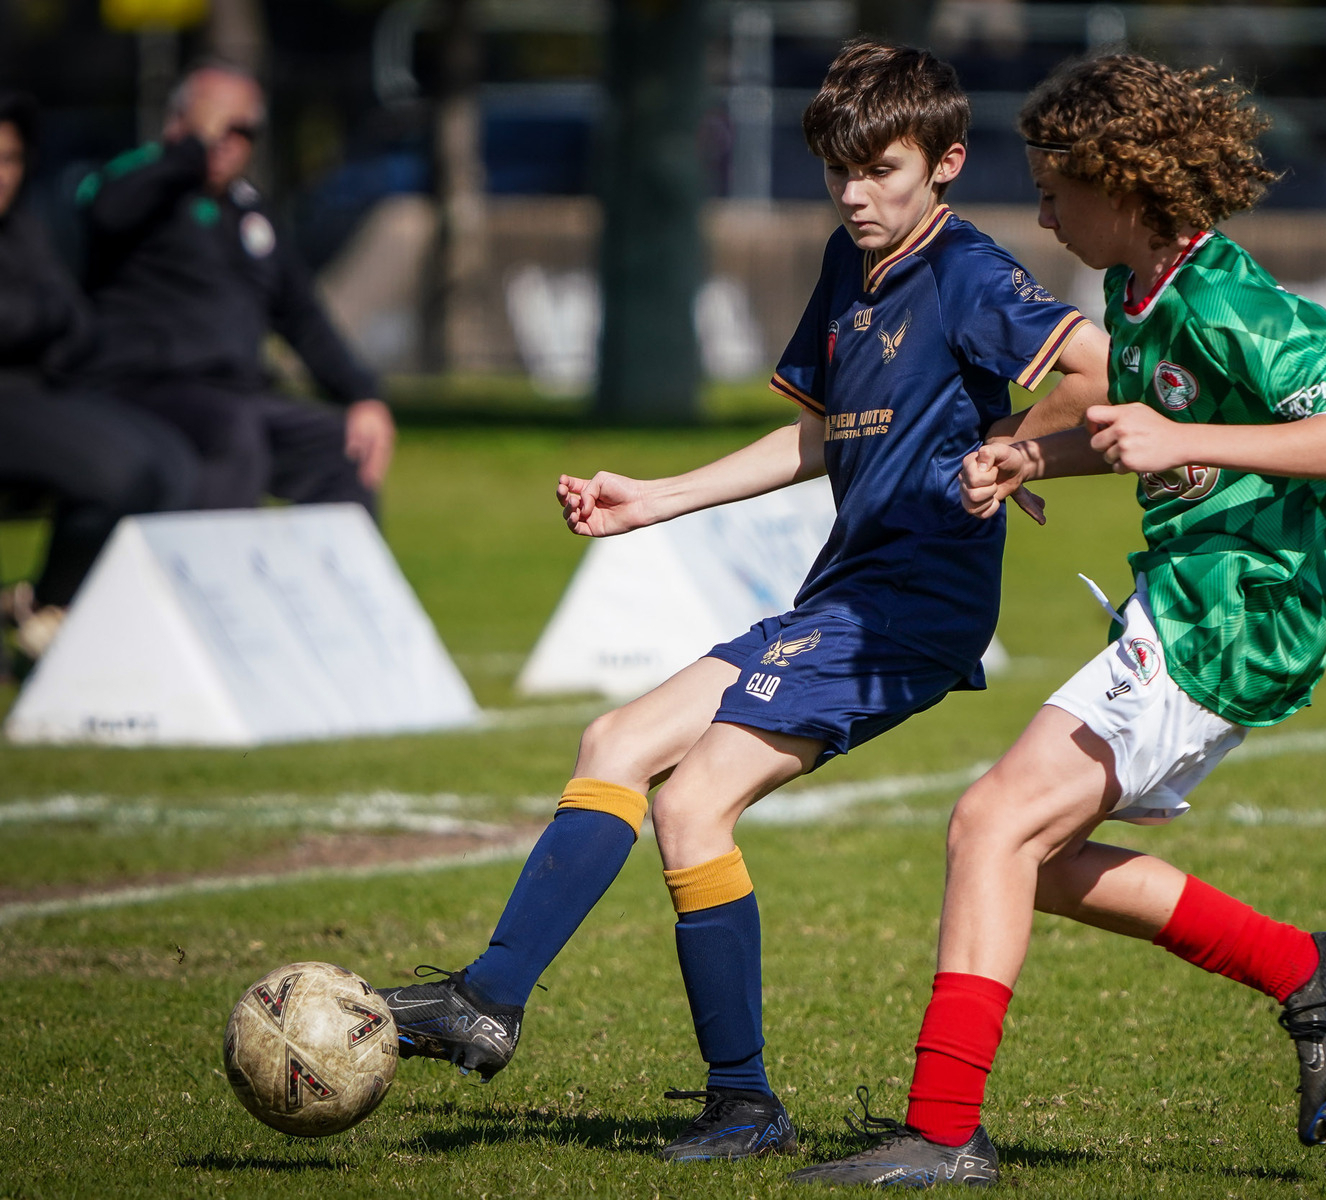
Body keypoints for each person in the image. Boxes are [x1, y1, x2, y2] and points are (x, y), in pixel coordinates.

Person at [377, 39, 1110, 1165]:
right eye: (838, 173)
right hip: (845, 593)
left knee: (691, 804)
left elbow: (1094, 367)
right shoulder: (846, 263)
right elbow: (820, 434)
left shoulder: (966, 271)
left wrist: (1012, 449)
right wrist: (653, 501)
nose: (857, 195)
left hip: (906, 610)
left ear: (947, 163)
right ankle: (504, 1006)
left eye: (884, 170)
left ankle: (732, 1099)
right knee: (616, 740)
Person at [791, 54, 1326, 1187]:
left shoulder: (1234, 301)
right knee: (1028, 855)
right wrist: (1031, 451)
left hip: (1236, 614)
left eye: (1053, 189)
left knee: (988, 826)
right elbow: (1132, 432)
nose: (1038, 211)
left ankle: (939, 1134)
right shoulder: (1136, 292)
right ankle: (1304, 969)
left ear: (1119, 185)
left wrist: (1190, 442)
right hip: (1183, 600)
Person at [74, 64, 394, 514]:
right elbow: (106, 213)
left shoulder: (251, 214)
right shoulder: (139, 181)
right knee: (234, 428)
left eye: (240, 129)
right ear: (178, 121)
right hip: (144, 388)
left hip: (236, 393)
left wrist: (363, 396)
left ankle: (336, 583)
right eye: (211, 125)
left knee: (340, 447)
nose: (224, 140)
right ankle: (213, 577)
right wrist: (187, 156)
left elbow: (302, 316)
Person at [0, 90, 198, 659]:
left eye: (11, 159)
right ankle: (47, 612)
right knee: (120, 470)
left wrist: (42, 321)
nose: (2, 175)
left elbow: (74, 319)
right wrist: (42, 319)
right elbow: (34, 317)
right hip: (11, 404)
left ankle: (55, 610)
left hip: (39, 393)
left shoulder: (23, 229)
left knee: (171, 461)